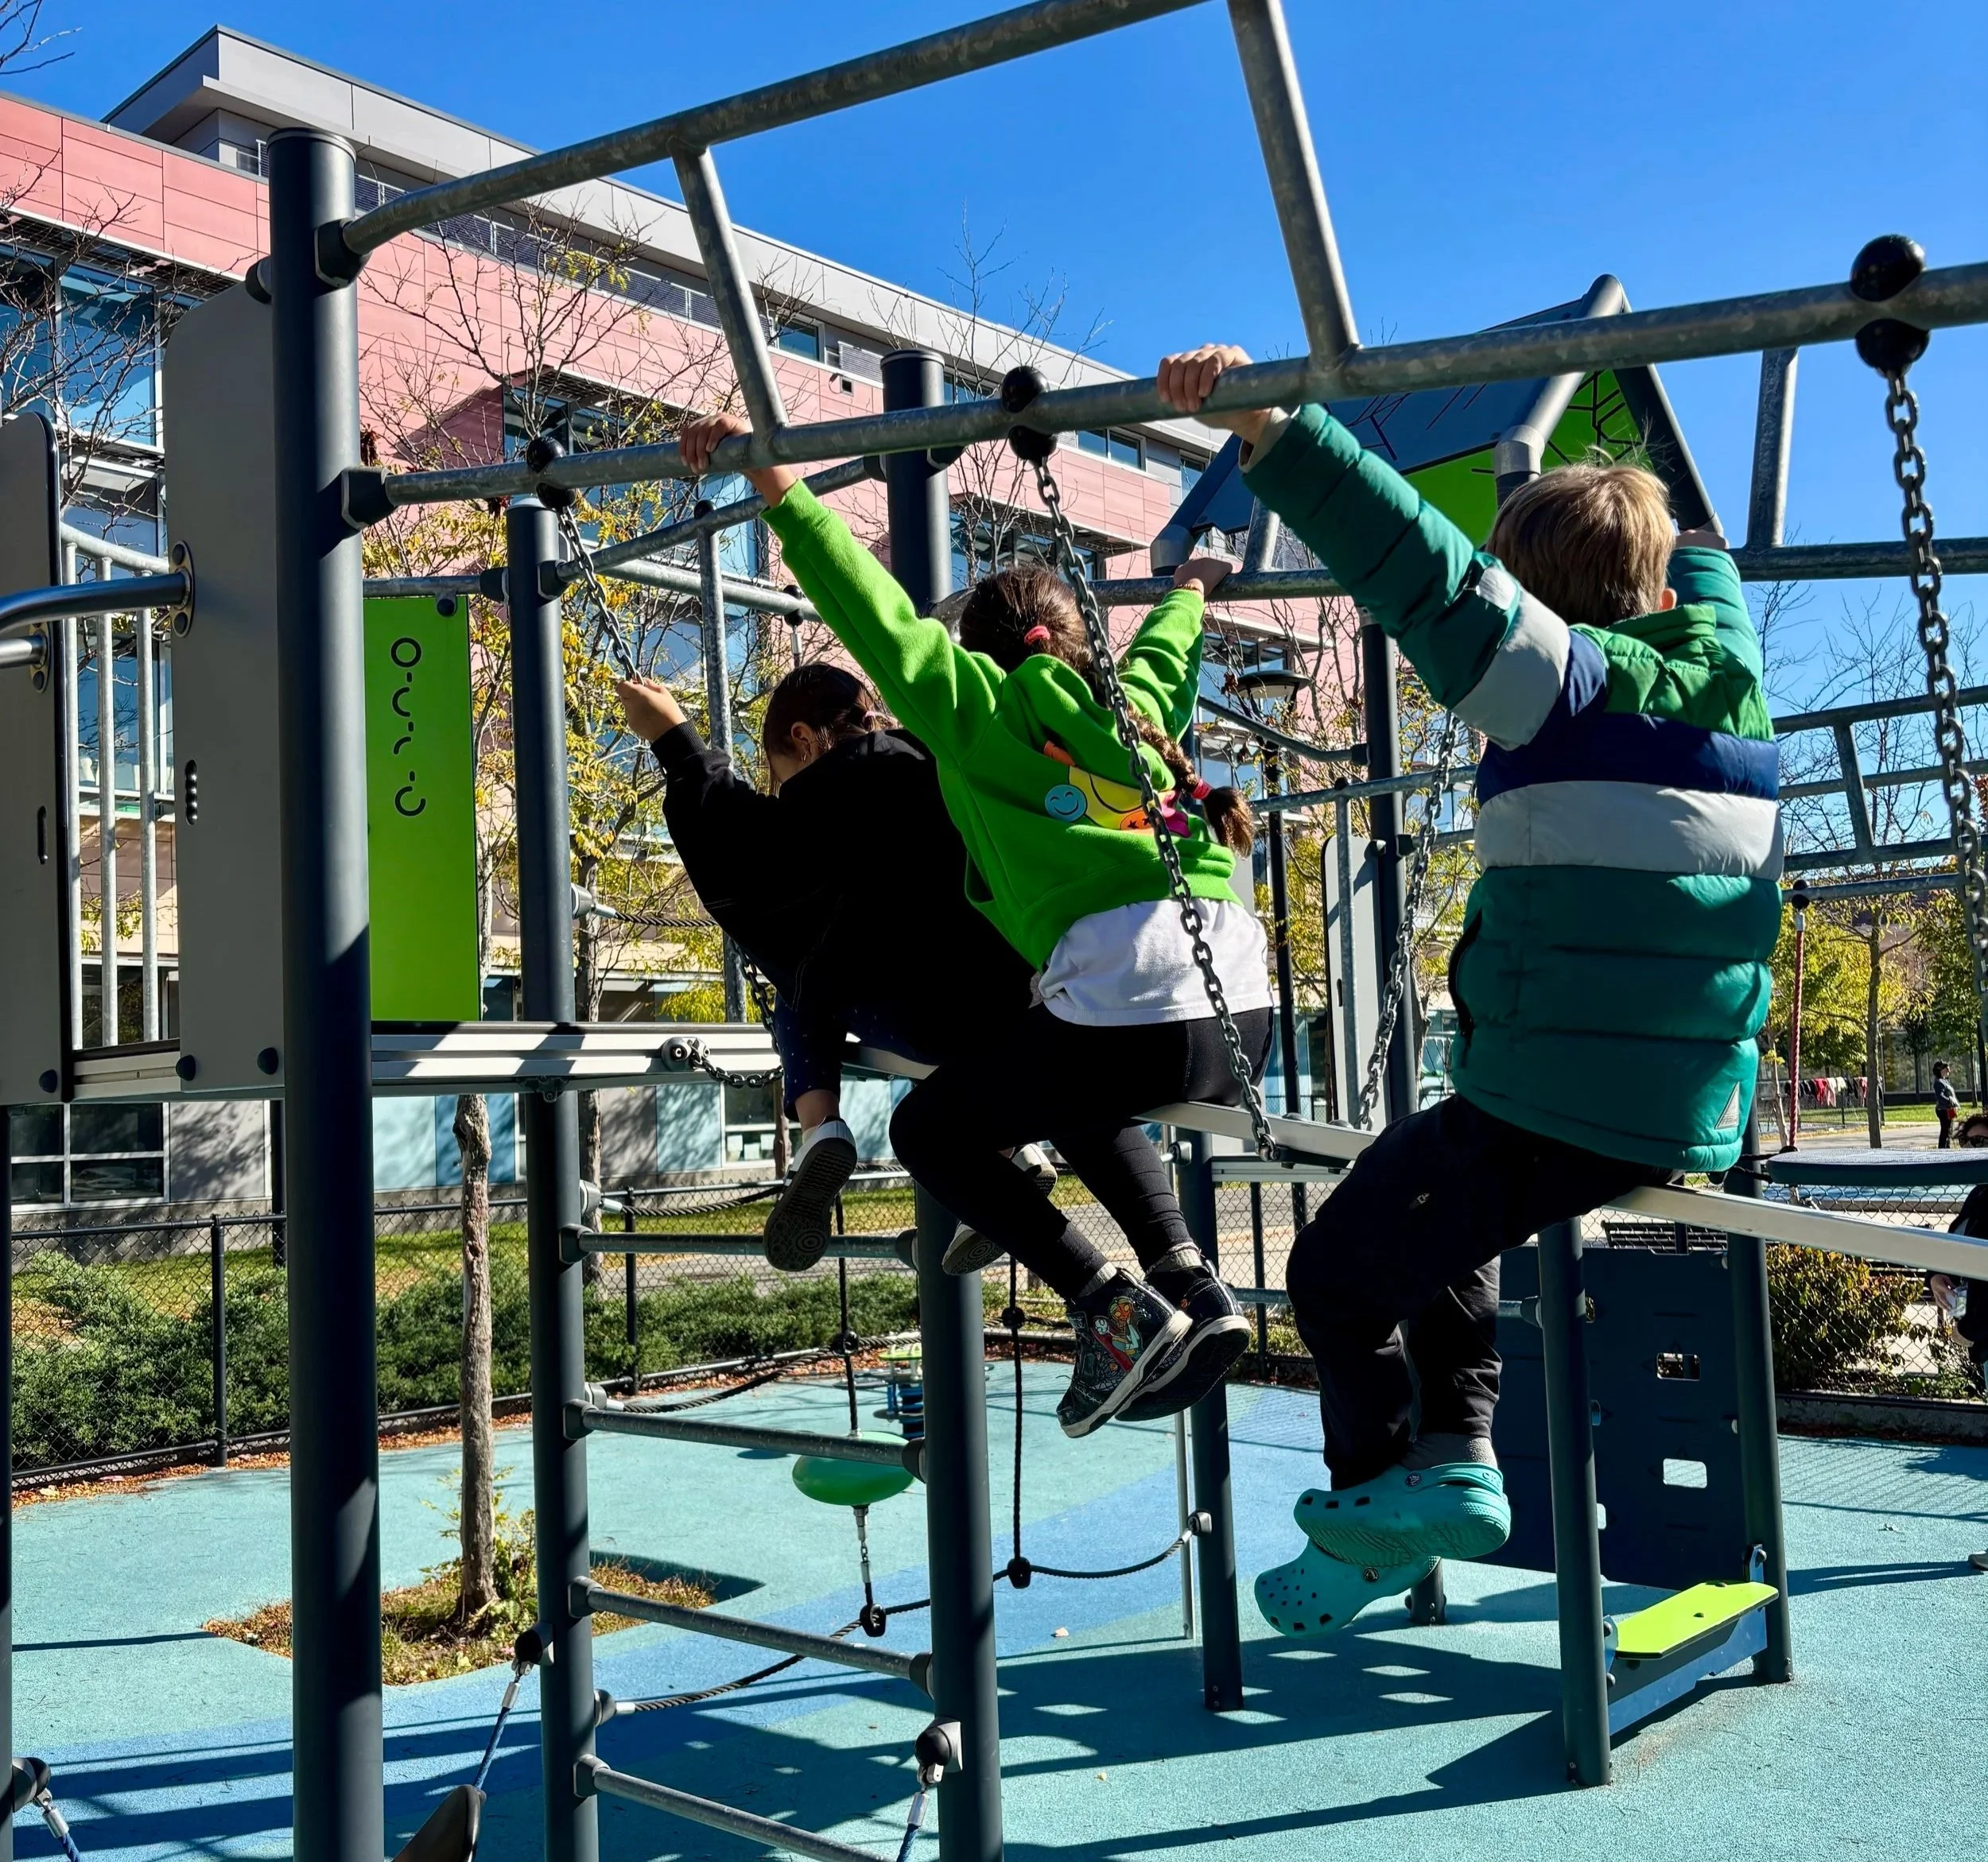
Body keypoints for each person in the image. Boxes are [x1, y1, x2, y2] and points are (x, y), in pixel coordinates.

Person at [1155, 344, 1780, 1634]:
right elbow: (1706, 578)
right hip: (1688, 1100)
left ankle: (1369, 1506)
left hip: (1558, 1103)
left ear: (1535, 606)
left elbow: (1414, 565)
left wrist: (1275, 427)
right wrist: (1675, 531)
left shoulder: (1558, 687)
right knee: (1436, 1216)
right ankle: (1461, 1461)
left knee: (1330, 1272)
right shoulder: (1732, 681)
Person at [674, 409, 1269, 1439]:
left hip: (1131, 1007)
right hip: (1243, 1020)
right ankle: (1190, 1282)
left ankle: (1106, 1304)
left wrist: (779, 487)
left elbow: (869, 614)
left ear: (978, 656)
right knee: (1062, 1078)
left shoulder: (973, 709)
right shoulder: (1132, 704)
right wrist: (1191, 585)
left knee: (928, 1128)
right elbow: (1170, 647)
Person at [616, 662, 1044, 1271]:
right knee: (939, 1004)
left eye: (780, 775)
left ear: (802, 738)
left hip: (923, 1019)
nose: (783, 788)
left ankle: (822, 1129)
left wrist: (675, 740)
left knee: (803, 983)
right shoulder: (940, 761)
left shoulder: (830, 794)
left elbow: (738, 839)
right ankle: (1013, 1150)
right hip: (1017, 999)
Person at [1936, 1111, 1988, 1573]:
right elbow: (1954, 1243)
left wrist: (1968, 1330)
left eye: (1986, 1141)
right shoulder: (1979, 1194)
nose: (1978, 1149)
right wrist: (1938, 1275)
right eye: (1970, 1142)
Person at [1934, 1060, 1959, 1147]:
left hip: (1949, 1109)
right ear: (1940, 1070)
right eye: (1946, 1069)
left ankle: (1947, 1148)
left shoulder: (1944, 1081)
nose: (1948, 1071)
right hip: (1944, 1110)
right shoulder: (1939, 1083)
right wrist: (1949, 1101)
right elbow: (1940, 1097)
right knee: (1945, 1131)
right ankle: (1942, 1149)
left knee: (1949, 1131)